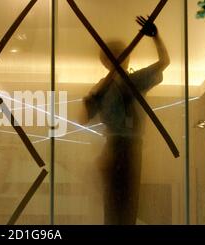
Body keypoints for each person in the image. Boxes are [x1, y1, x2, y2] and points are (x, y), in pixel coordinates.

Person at [84, 16, 170, 225]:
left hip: (130, 147)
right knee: (114, 205)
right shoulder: (102, 88)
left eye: (118, 55)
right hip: (115, 147)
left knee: (127, 204)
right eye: (111, 56)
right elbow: (87, 114)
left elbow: (164, 63)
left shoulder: (135, 80)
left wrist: (156, 37)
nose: (116, 59)